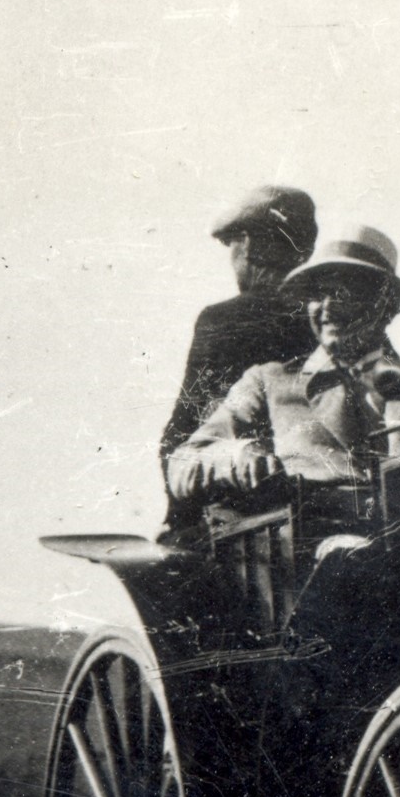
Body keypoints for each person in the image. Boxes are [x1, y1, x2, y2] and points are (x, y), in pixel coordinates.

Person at [165, 227, 400, 532]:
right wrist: (238, 455)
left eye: (343, 292)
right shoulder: (268, 381)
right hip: (307, 554)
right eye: (317, 294)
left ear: (382, 305)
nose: (327, 307)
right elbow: (183, 462)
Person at [157, 186, 318, 538]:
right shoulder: (339, 318)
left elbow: (184, 427)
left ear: (248, 244)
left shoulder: (223, 320)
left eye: (231, 245)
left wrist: (178, 521)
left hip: (251, 515)